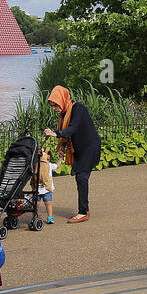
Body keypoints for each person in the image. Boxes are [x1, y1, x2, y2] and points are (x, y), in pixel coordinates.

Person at [44, 85, 101, 223]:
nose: (54, 109)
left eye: (55, 105)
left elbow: (73, 128)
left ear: (63, 100)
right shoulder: (64, 114)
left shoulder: (77, 109)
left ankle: (83, 212)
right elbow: (69, 132)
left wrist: (56, 133)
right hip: (79, 149)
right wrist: (62, 145)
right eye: (52, 106)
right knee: (80, 177)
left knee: (81, 177)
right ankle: (83, 210)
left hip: (89, 147)